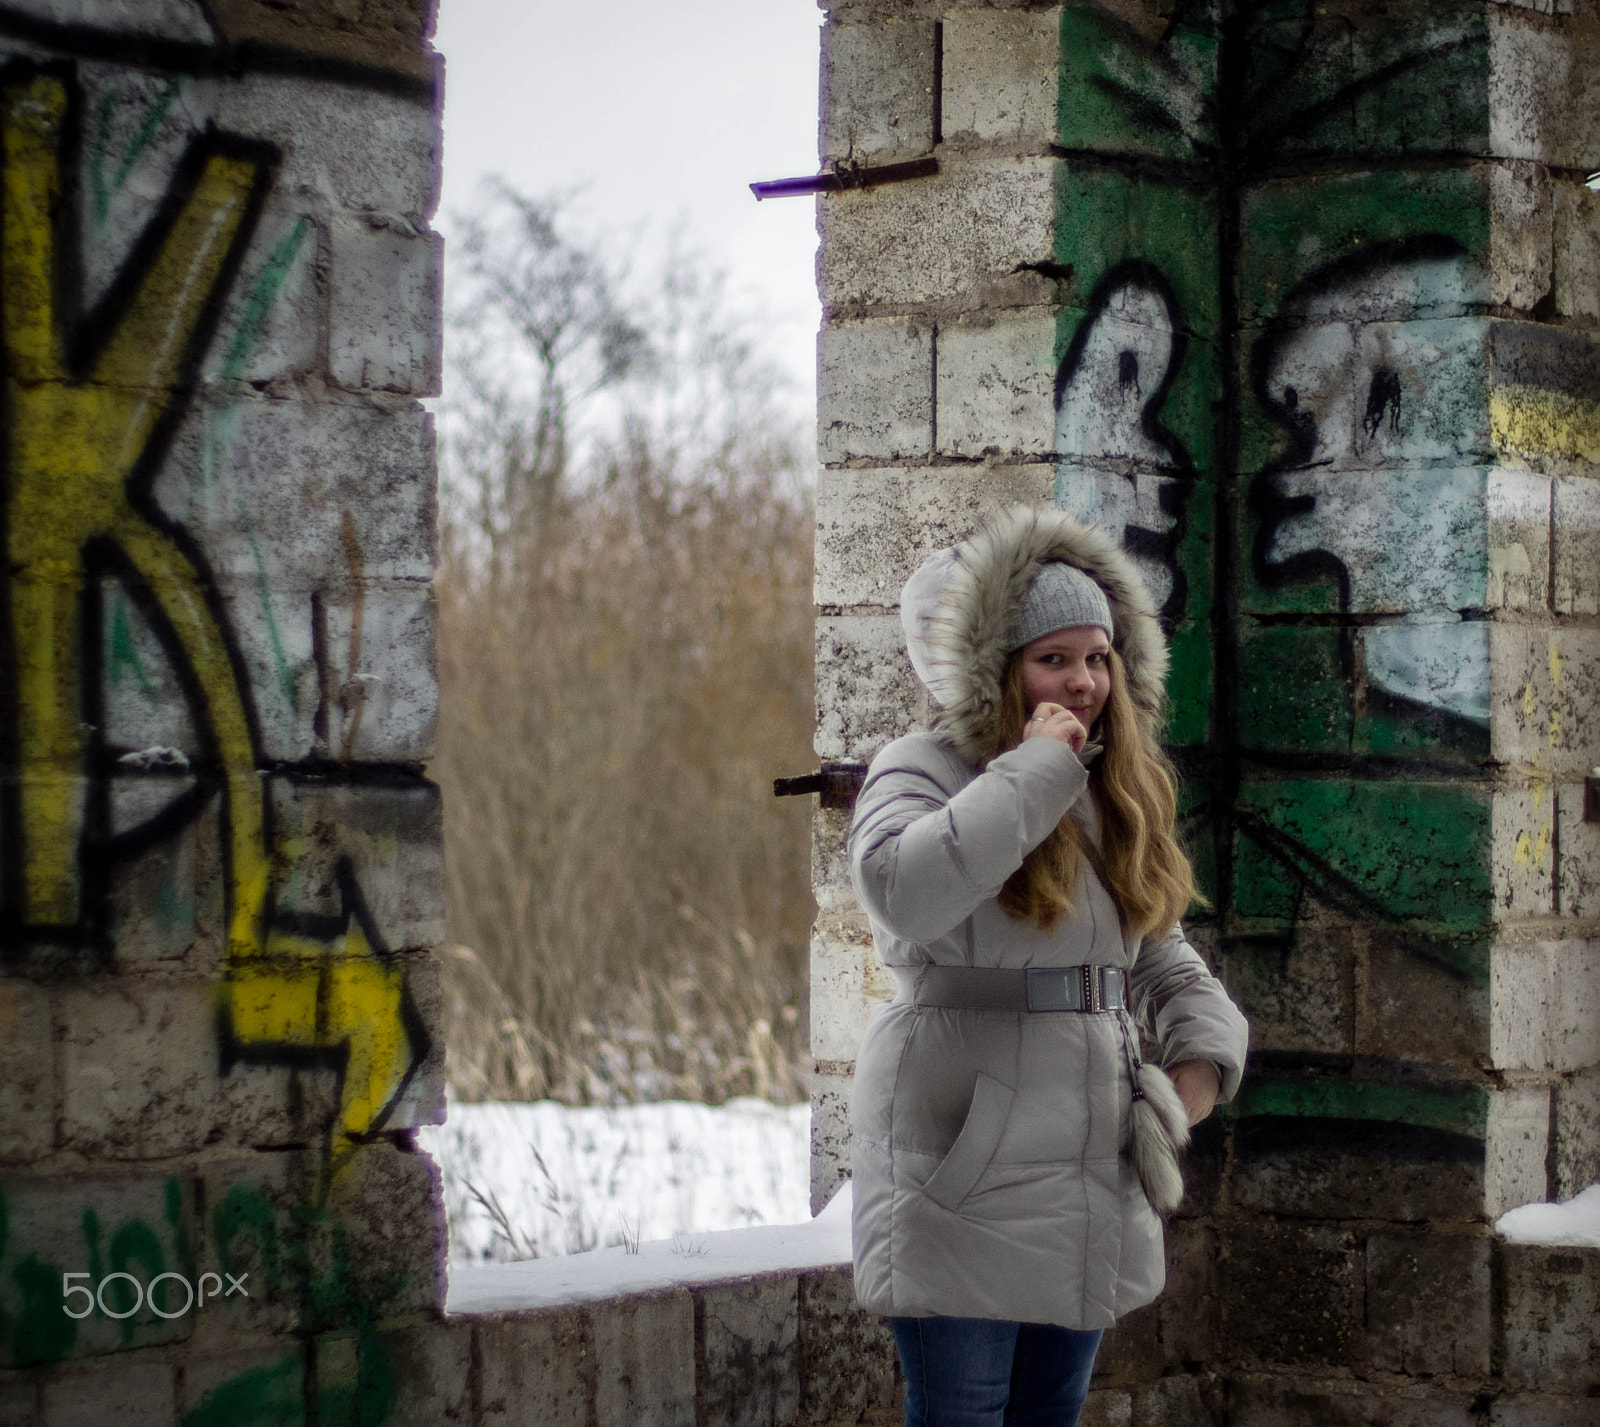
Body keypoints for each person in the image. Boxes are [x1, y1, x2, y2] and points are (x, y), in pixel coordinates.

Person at [848, 505, 1249, 1427]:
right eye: (1052, 658)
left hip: (1085, 1156)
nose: (1082, 680)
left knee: (1048, 1416)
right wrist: (1032, 769)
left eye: (1098, 657)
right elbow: (901, 891)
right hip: (962, 1158)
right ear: (998, 671)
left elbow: (1158, 948)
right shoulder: (921, 765)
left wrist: (1201, 1055)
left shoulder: (1112, 789)